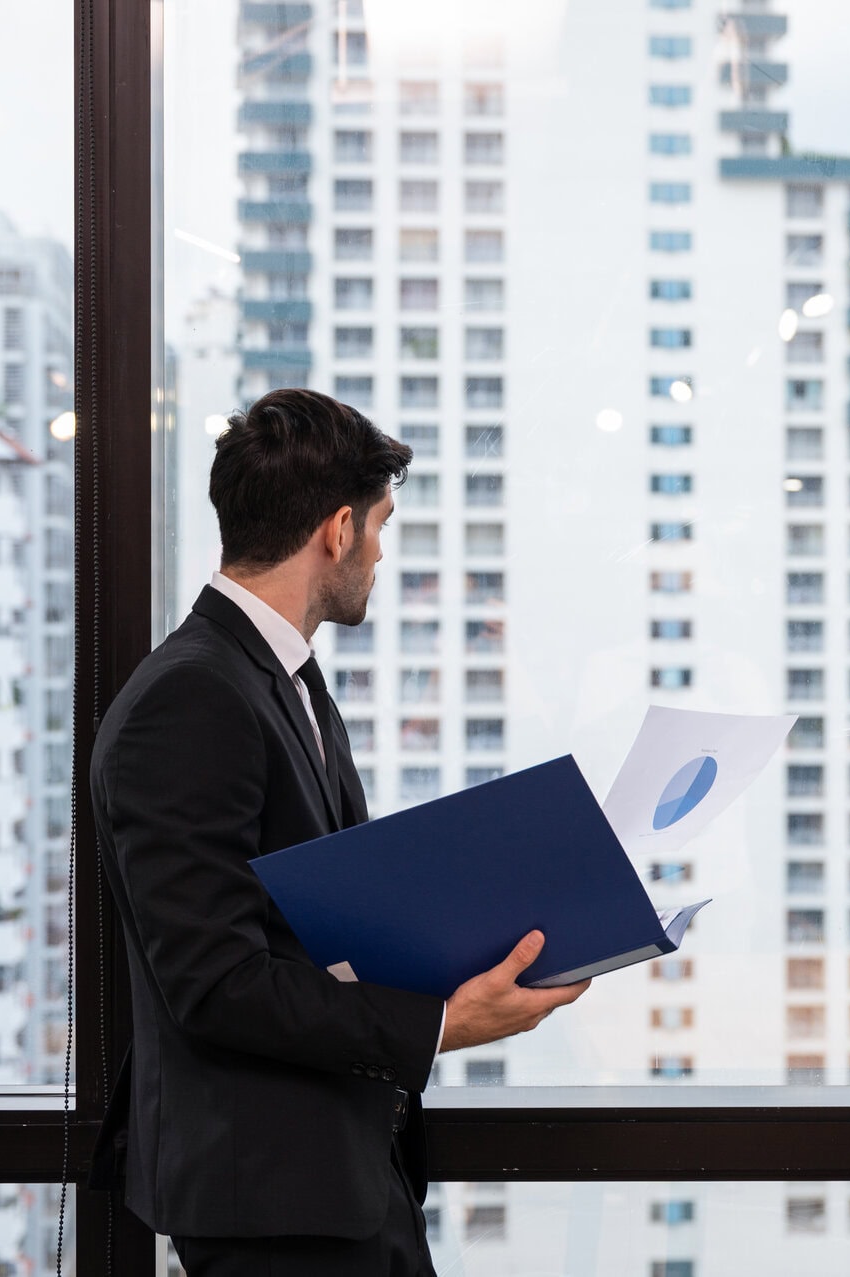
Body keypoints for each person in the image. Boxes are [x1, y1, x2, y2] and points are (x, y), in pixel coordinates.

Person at [88, 388, 590, 1274]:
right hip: (271, 1206)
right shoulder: (192, 698)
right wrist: (439, 1022)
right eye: (381, 525)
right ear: (338, 528)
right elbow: (216, 982)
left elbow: (311, 913)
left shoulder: (279, 678)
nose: (382, 552)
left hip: (336, 1178)